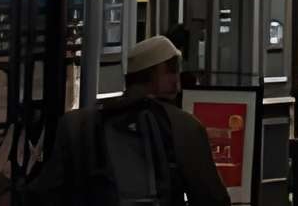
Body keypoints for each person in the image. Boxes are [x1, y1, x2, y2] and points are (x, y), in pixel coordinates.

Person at [35, 34, 230, 206]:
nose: (176, 81)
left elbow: (48, 193)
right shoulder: (183, 126)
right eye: (171, 70)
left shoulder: (76, 125)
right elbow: (212, 198)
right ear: (151, 75)